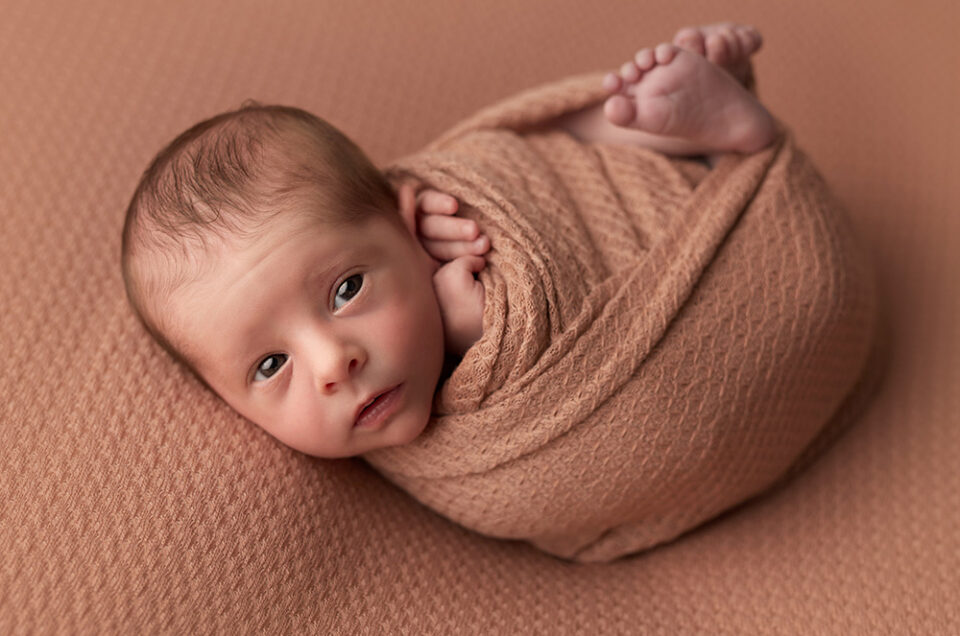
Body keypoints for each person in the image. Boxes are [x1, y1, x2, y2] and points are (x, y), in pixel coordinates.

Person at [121, 22, 777, 459]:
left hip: (676, 233)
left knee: (523, 157)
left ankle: (661, 129)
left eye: (347, 289)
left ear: (409, 227)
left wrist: (499, 315)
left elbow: (539, 197)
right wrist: (468, 345)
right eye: (270, 366)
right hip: (717, 399)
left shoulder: (449, 222)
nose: (332, 365)